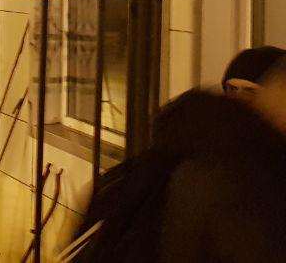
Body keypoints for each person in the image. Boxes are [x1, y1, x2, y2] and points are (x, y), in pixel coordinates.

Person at [67, 45, 286, 262]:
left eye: (250, 91)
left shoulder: (203, 156)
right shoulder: (229, 174)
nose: (238, 100)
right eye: (232, 89)